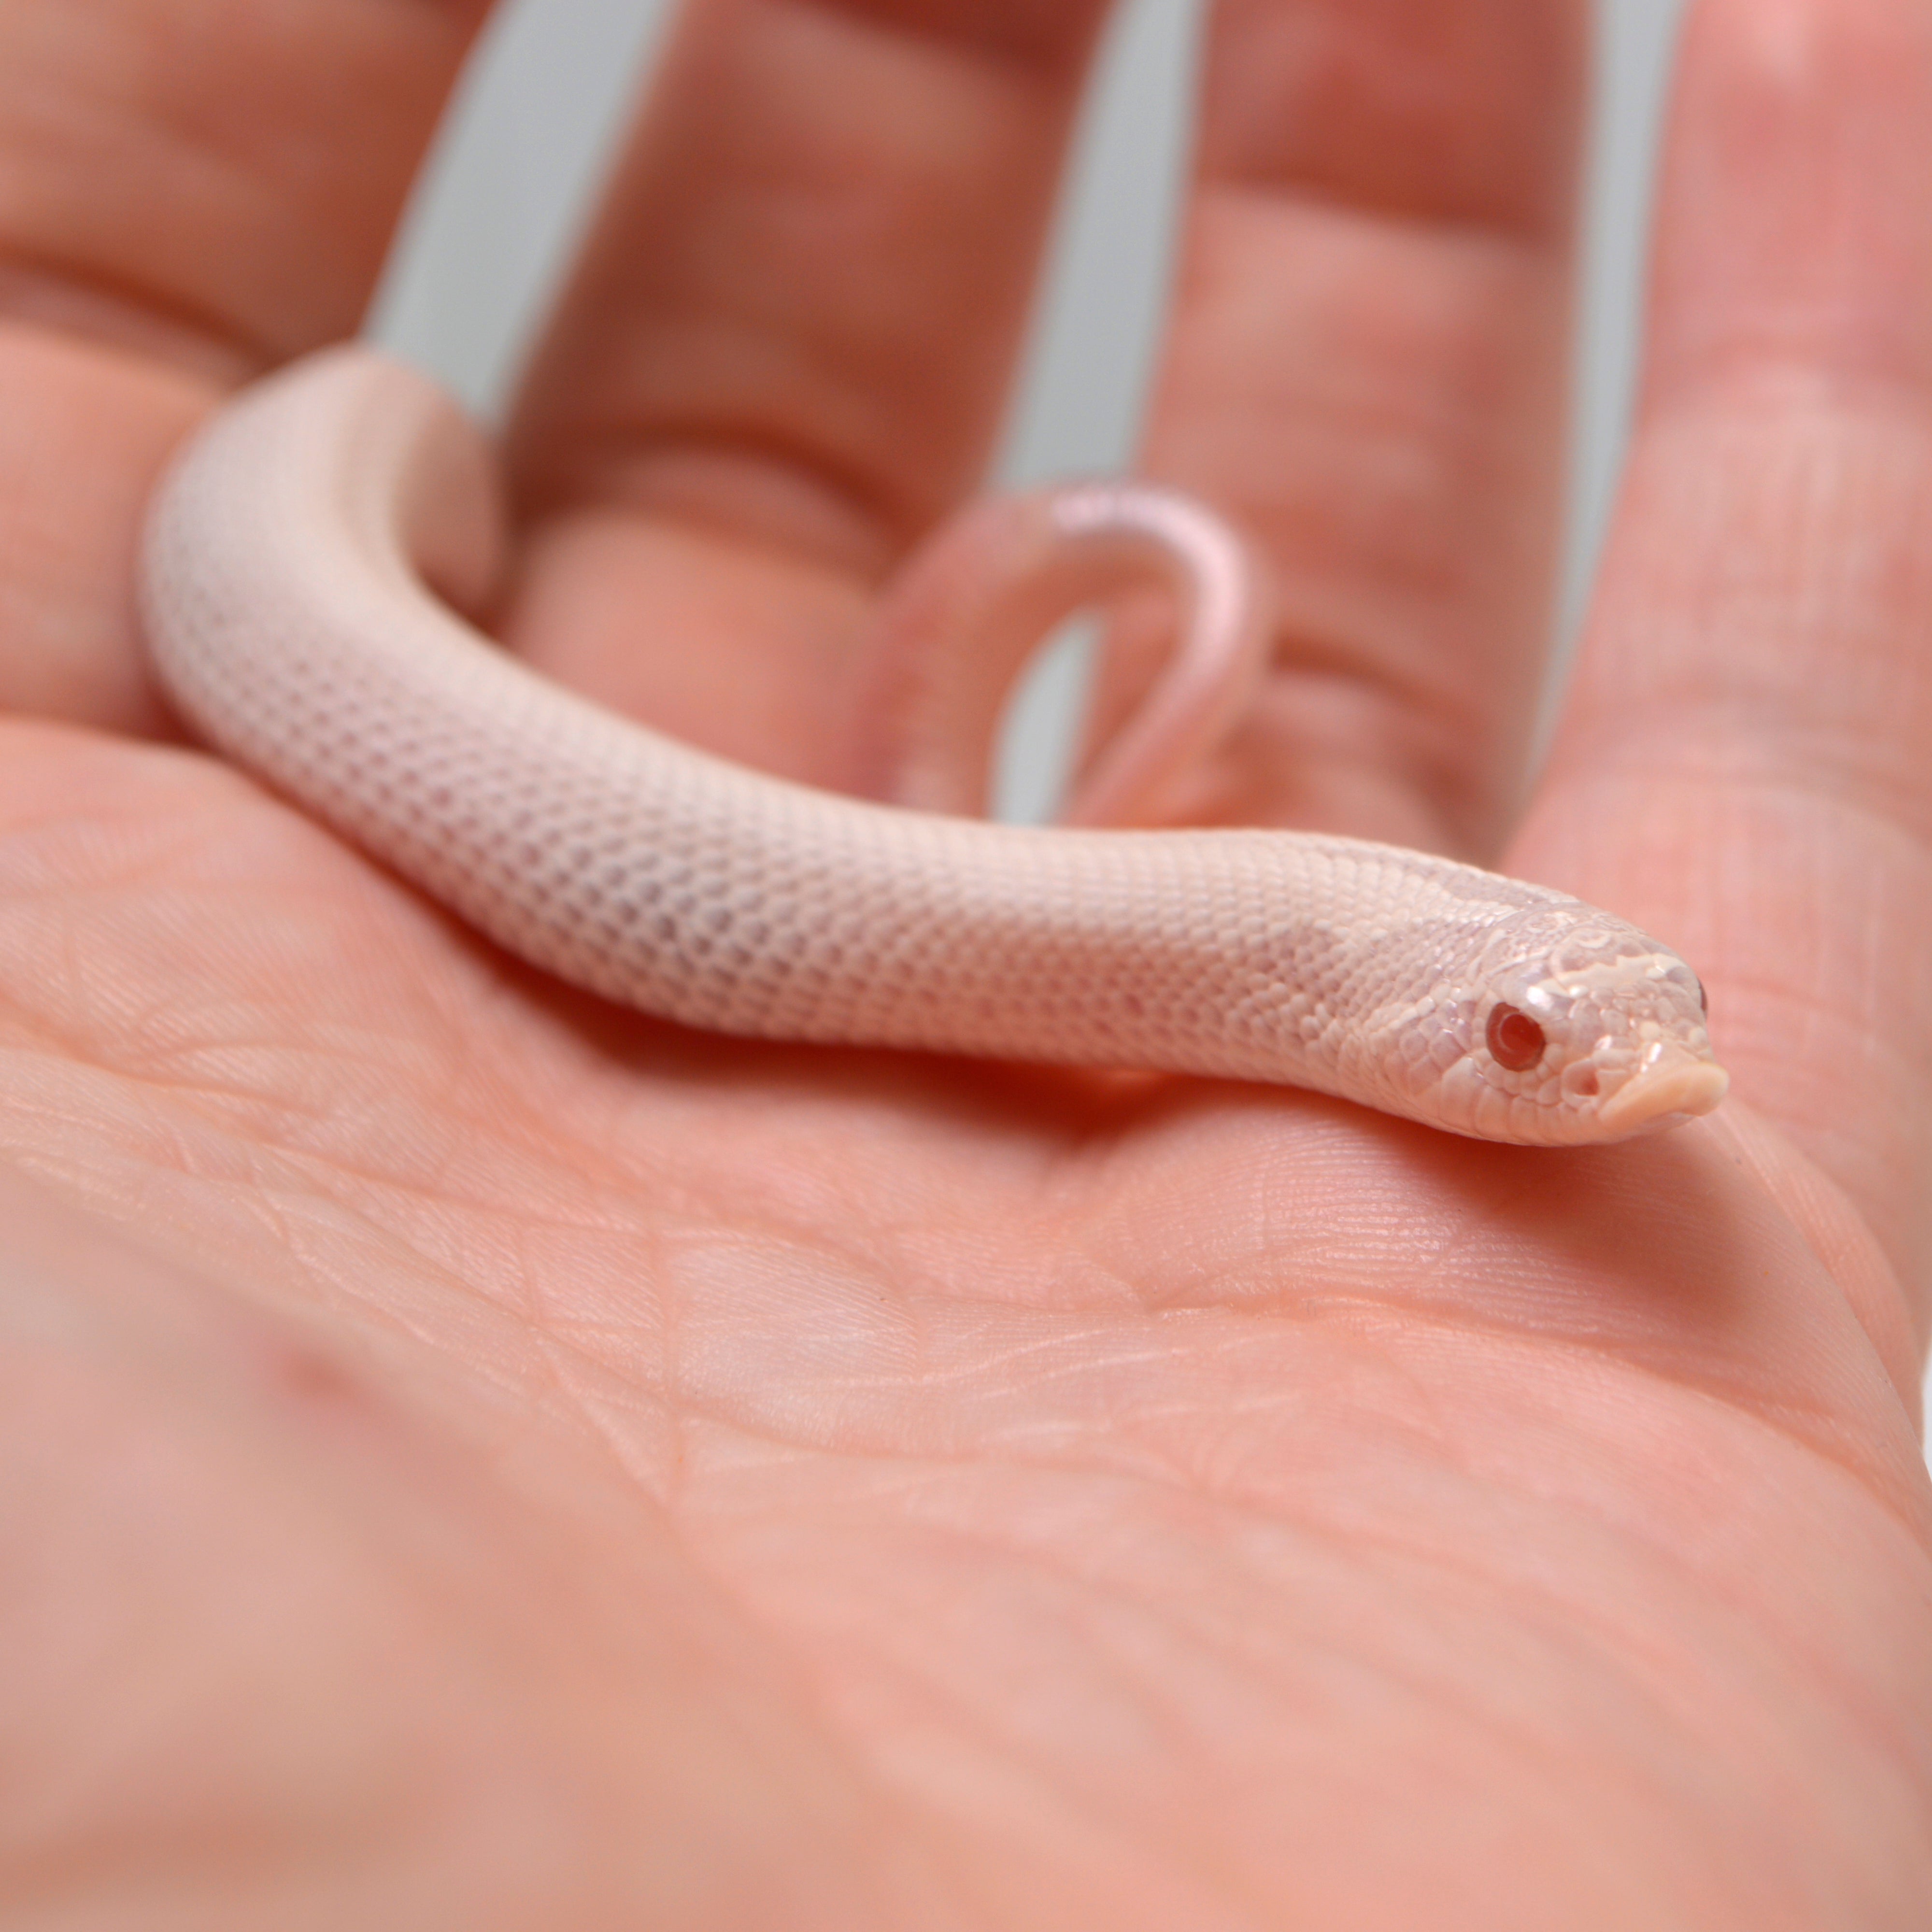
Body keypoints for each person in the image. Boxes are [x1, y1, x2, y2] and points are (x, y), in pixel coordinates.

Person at [1, 0, 1926, 1922]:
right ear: (1382, 1004)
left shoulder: (1312, 983)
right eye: (1523, 1039)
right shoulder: (1265, 957)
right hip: (295, 517)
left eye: (1646, 1015)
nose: (1620, 1077)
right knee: (358, 427)